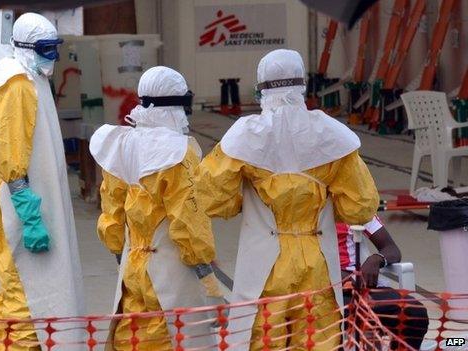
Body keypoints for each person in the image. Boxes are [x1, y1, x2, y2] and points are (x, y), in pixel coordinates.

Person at [196, 49, 380, 350]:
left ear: (261, 88)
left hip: (264, 264)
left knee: (264, 338)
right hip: (316, 260)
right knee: (320, 338)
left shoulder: (245, 135)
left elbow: (213, 200)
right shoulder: (332, 134)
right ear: (302, 85)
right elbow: (360, 208)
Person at [89, 66, 227, 350]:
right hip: (170, 269)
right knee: (170, 337)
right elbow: (188, 220)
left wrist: (121, 254)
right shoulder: (178, 152)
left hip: (133, 263)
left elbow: (111, 212)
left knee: (133, 335)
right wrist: (208, 281)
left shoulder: (120, 145)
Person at [0, 13, 85, 350]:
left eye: (55, 48)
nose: (52, 56)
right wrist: (29, 216)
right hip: (23, 205)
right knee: (25, 295)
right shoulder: (17, 86)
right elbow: (10, 158)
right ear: (26, 47)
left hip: (35, 203)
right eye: (46, 49)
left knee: (26, 291)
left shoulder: (33, 77)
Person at [338, 216, 429, 349]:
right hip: (320, 293)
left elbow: (391, 249)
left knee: (414, 313)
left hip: (361, 290)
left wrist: (376, 259)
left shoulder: (355, 208)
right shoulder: (304, 213)